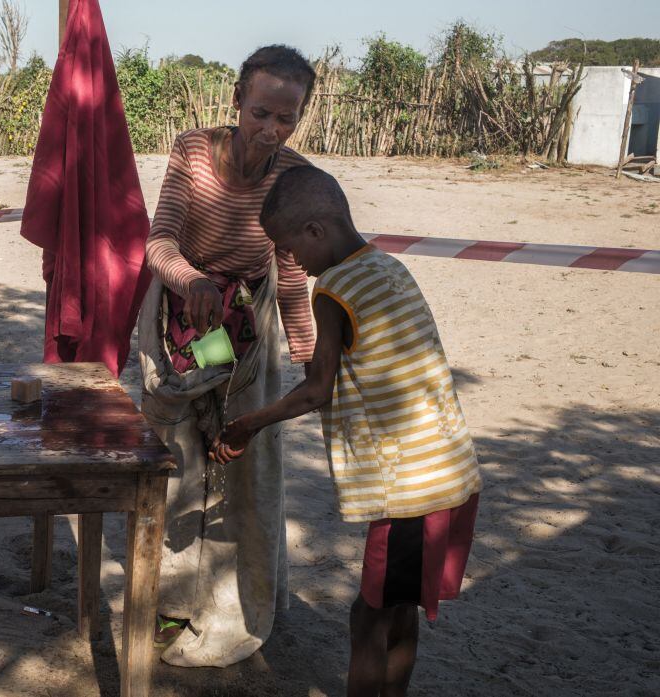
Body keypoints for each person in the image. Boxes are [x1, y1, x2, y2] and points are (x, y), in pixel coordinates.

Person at [210, 165, 482, 696]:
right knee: (398, 610)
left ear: (316, 231)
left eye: (290, 249)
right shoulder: (388, 265)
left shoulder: (333, 289)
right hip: (451, 470)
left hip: (411, 488)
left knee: (369, 616)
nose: (292, 262)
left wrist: (247, 425)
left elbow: (317, 390)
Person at [137, 45, 318, 667]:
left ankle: (238, 600)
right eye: (261, 112)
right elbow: (159, 242)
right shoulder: (192, 151)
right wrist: (191, 280)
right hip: (180, 317)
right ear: (237, 100)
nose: (270, 130)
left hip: (250, 325)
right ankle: (170, 600)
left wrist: (307, 354)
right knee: (176, 458)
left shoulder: (293, 176)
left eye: (286, 119)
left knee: (245, 460)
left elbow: (290, 272)